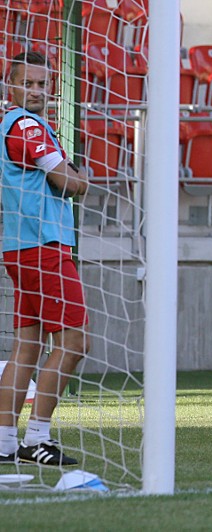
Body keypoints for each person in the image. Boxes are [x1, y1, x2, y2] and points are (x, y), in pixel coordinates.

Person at [0, 51, 90, 466]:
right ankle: (38, 438)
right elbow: (68, 181)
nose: (36, 91)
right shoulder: (26, 125)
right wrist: (77, 177)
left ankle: (4, 443)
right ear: (10, 86)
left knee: (27, 347)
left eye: (42, 84)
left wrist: (72, 174)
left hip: (20, 247)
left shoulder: (14, 125)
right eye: (27, 83)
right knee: (74, 341)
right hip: (44, 248)